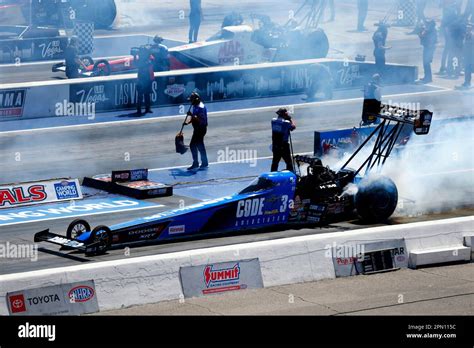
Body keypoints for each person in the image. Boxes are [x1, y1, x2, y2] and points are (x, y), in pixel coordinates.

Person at [185, 92, 208, 170]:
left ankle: (197, 163)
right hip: (197, 128)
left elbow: (199, 119)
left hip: (201, 129)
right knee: (199, 145)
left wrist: (191, 115)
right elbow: (194, 117)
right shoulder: (195, 106)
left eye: (192, 100)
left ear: (196, 100)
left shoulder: (201, 107)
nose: (191, 102)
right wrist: (188, 122)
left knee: (194, 145)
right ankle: (203, 162)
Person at [271, 108, 296, 172]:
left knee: (275, 162)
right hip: (284, 145)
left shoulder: (273, 121)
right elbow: (293, 127)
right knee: (289, 162)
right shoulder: (286, 123)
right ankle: (291, 174)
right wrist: (290, 119)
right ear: (284, 114)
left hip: (275, 145)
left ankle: (272, 176)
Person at [418, 19, 438, 83]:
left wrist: (421, 31)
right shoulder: (430, 30)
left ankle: (428, 78)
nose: (426, 24)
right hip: (428, 48)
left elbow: (423, 36)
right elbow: (421, 36)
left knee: (426, 63)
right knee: (425, 63)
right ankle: (427, 76)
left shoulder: (431, 31)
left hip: (429, 48)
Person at [136, 47, 154, 115]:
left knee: (147, 95)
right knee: (140, 96)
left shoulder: (149, 59)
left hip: (148, 79)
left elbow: (152, 58)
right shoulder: (141, 60)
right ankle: (139, 110)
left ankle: (147, 109)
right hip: (141, 80)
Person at [456, 23, 474, 88]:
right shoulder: (468, 35)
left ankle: (467, 83)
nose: (467, 29)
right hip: (467, 55)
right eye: (467, 28)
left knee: (468, 69)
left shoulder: (470, 35)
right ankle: (467, 82)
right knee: (467, 69)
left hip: (470, 56)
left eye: (469, 28)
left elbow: (469, 46)